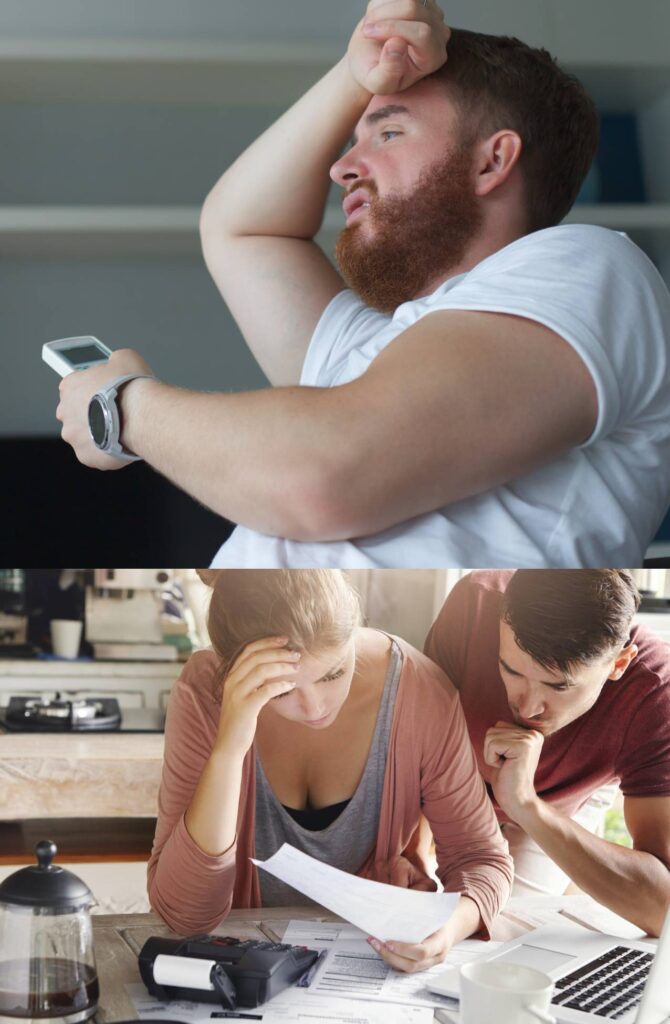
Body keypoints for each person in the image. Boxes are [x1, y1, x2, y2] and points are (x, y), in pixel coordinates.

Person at [56, 1, 670, 567]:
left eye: (389, 133)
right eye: (355, 138)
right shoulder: (369, 351)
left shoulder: (586, 266)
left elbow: (323, 476)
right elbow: (240, 228)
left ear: (493, 160)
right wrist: (360, 72)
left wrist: (126, 407)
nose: (342, 167)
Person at [147, 569, 513, 973]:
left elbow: (481, 858)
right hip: (242, 973)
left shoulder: (418, 689)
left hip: (363, 975)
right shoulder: (205, 693)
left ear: (352, 631)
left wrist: (445, 931)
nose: (315, 707)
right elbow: (185, 916)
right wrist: (229, 750)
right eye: (281, 690)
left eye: (334, 673)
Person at [424, 569, 670, 936]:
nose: (528, 708)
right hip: (459, 779)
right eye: (511, 670)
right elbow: (419, 749)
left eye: (557, 686)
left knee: (498, 924)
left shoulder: (656, 689)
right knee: (424, 907)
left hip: (566, 796)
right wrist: (411, 854)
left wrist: (526, 804)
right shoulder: (475, 602)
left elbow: (662, 911)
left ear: (619, 664)